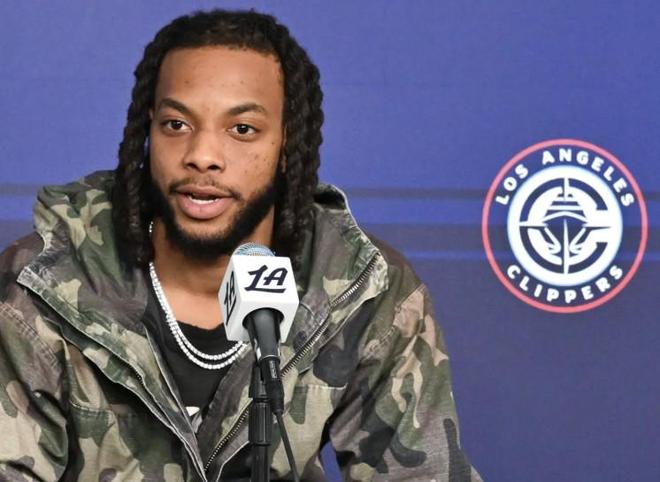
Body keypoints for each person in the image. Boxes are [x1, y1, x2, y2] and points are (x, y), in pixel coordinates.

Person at [0, 9, 482, 482]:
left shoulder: (364, 289)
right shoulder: (43, 283)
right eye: (176, 124)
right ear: (148, 132)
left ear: (287, 144)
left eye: (242, 130)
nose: (202, 156)